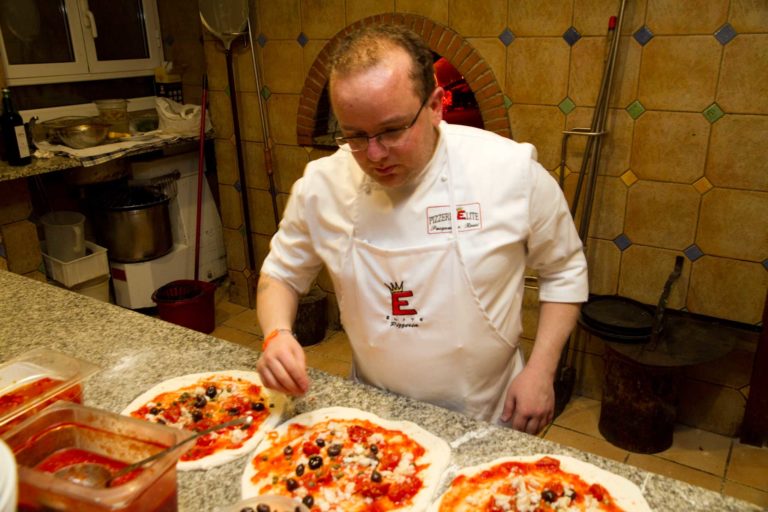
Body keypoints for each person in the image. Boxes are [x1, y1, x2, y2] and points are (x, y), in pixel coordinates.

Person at [256, 24, 588, 435]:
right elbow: (281, 273)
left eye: (393, 130)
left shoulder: (508, 172)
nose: (374, 154)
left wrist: (541, 370)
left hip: (490, 413)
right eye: (356, 135)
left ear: (435, 105)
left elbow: (565, 270)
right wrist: (276, 334)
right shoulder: (321, 186)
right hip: (375, 414)